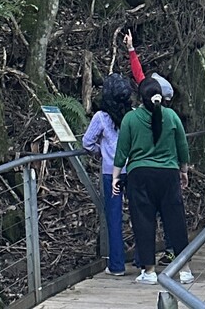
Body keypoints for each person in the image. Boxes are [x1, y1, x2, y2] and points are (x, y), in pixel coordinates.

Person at [112, 77, 194, 286]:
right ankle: (184, 269)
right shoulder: (171, 115)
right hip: (168, 174)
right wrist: (183, 169)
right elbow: (182, 144)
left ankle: (149, 271)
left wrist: (115, 175)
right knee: (175, 220)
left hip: (140, 175)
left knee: (143, 222)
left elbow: (122, 149)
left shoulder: (131, 119)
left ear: (140, 97)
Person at [83, 73, 134, 277]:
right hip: (133, 170)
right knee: (140, 214)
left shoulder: (101, 118)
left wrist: (102, 150)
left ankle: (117, 265)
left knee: (114, 218)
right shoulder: (132, 115)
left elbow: (87, 142)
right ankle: (142, 261)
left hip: (110, 172)